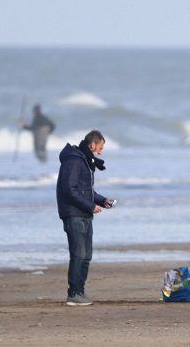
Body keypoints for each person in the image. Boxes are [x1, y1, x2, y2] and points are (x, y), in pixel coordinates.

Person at [56, 130, 116, 306]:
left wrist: (103, 201)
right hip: (74, 214)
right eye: (101, 147)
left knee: (86, 255)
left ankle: (79, 292)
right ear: (92, 145)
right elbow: (69, 190)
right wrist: (90, 205)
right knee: (79, 254)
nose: (101, 151)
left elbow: (86, 191)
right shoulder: (74, 161)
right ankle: (74, 293)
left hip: (84, 214)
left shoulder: (85, 161)